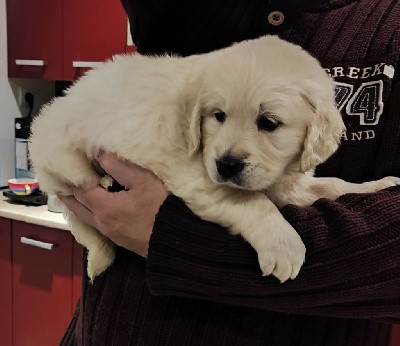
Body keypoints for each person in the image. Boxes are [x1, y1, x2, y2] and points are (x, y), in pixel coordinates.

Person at [59, 0, 400, 344]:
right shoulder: (192, 24)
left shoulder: (387, 26)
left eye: (269, 122)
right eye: (218, 117)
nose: (228, 153)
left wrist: (183, 236)